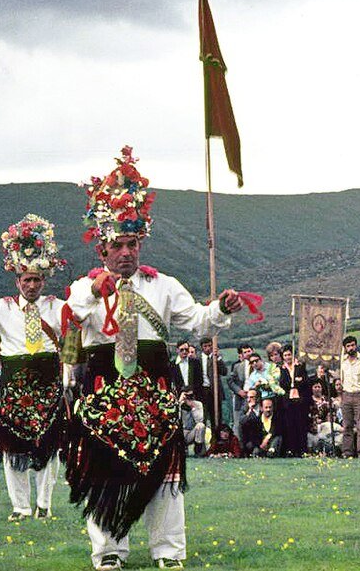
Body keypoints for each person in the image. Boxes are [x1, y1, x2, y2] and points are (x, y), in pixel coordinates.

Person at [63, 147, 246, 570]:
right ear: (103, 250)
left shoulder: (163, 285)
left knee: (165, 475)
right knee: (105, 472)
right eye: (118, 246)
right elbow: (73, 311)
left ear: (140, 243)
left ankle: (168, 552)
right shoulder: (83, 288)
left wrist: (221, 308)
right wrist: (97, 289)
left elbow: (199, 322)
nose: (126, 253)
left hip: (155, 391)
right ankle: (108, 552)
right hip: (104, 390)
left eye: (132, 244)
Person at [0, 214, 68, 521]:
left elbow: (81, 329)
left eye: (37, 280)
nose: (32, 285)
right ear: (17, 281)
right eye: (27, 280)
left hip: (48, 382)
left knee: (49, 445)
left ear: (43, 281)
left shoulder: (58, 307)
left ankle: (45, 504)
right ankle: (20, 506)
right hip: (14, 385)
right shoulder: (1, 307)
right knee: (13, 448)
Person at [277, 344, 309, 457]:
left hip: (299, 400)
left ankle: (303, 450)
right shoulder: (281, 369)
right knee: (290, 426)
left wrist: (297, 381)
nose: (287, 357)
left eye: (289, 354)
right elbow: (281, 384)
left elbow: (305, 382)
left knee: (301, 425)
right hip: (287, 401)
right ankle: (291, 449)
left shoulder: (300, 366)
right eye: (285, 355)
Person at [339, 336, 360, 457]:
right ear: (345, 348)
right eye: (348, 346)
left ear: (356, 345)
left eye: (353, 345)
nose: (351, 348)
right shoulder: (343, 361)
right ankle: (347, 451)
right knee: (347, 425)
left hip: (359, 393)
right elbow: (341, 378)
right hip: (346, 394)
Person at [178, 388, 206, 457]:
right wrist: (179, 403)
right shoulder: (179, 404)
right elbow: (175, 417)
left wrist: (193, 407)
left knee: (200, 425)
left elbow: (199, 420)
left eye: (190, 395)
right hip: (181, 433)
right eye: (187, 395)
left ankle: (198, 451)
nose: (189, 398)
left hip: (192, 433)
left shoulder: (198, 404)